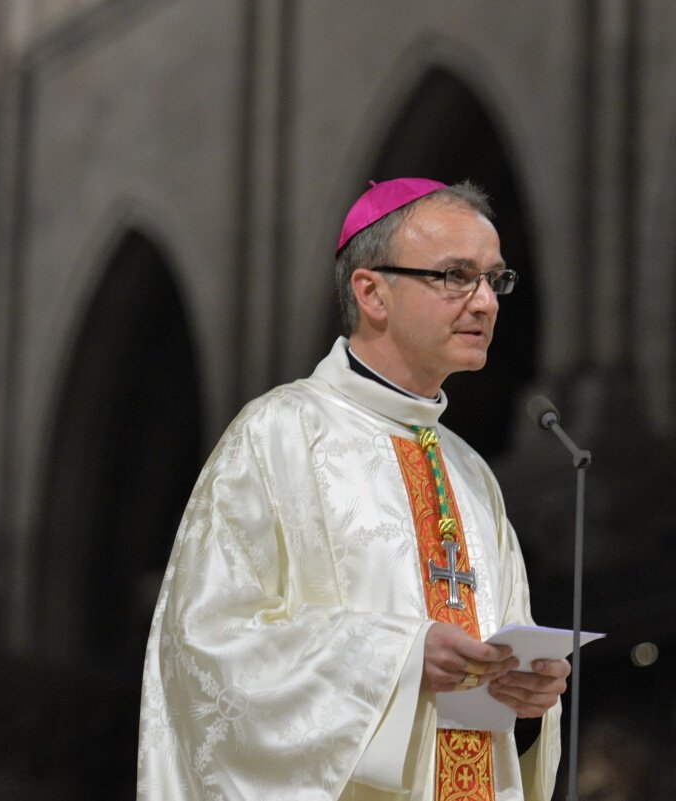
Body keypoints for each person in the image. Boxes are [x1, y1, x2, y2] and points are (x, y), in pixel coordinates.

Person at [136, 178, 569, 800]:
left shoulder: (472, 475)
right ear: (372, 292)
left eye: (495, 280)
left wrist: (529, 707)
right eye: (455, 276)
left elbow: (498, 692)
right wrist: (397, 657)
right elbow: (205, 655)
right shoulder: (279, 435)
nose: (485, 303)